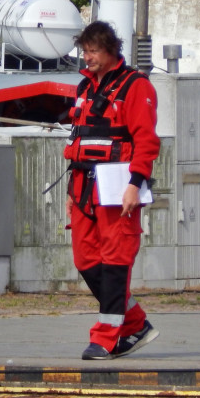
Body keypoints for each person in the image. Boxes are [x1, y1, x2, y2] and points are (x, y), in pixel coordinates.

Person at [64, 20, 161, 361]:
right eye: (84, 50)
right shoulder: (85, 88)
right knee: (86, 260)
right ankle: (135, 324)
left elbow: (147, 141)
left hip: (118, 187)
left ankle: (105, 338)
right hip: (82, 186)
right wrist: (70, 195)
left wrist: (136, 184)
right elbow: (78, 137)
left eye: (92, 51)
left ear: (110, 51)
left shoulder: (136, 87)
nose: (86, 57)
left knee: (116, 260)